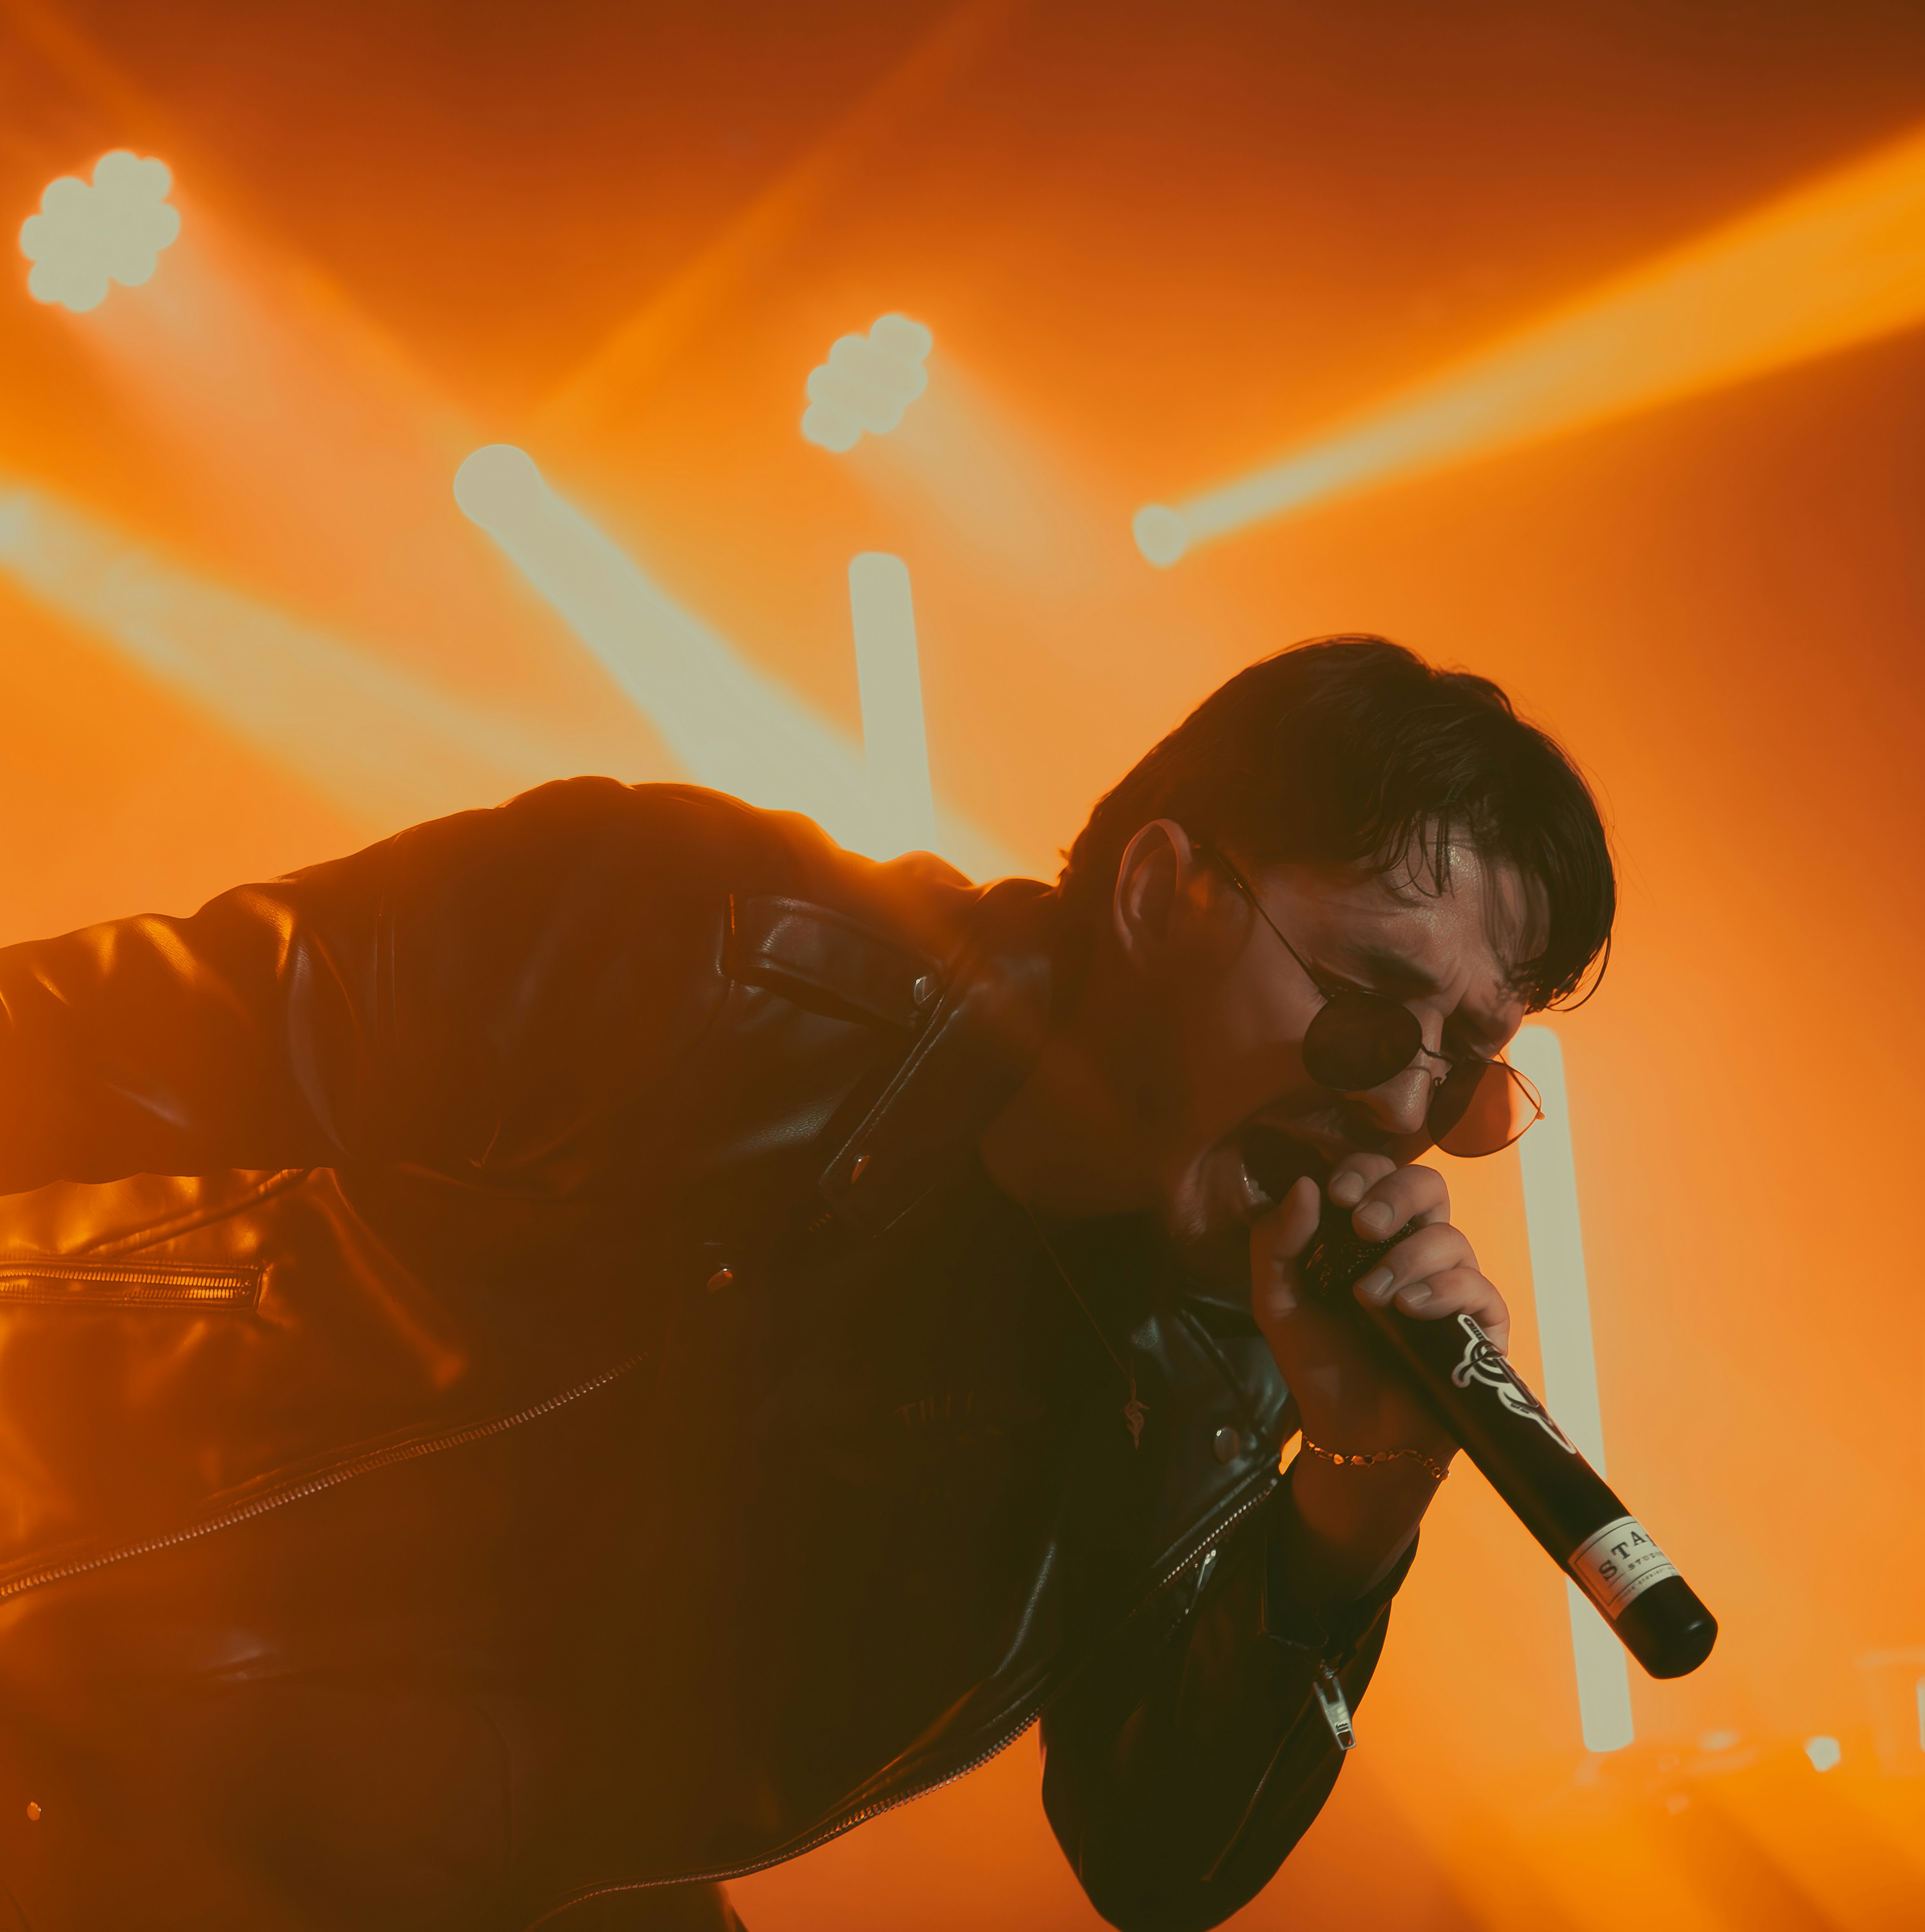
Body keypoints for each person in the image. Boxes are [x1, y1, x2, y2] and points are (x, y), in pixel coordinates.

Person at [0, 633, 1613, 1932]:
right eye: (1365, 1012)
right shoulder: (710, 945)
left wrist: (1356, 1506)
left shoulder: (1217, 1376)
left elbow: (1160, 1867)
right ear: (1159, 896)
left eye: (1467, 1064)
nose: (1403, 1109)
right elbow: (80, 1047)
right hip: (66, 1708)